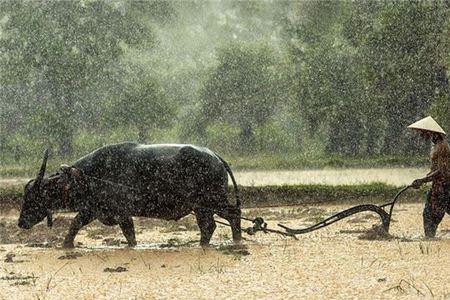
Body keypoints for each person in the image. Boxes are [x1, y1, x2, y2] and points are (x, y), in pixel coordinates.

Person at [408, 116, 450, 238]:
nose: (421, 136)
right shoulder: (437, 145)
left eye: (422, 133)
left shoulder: (442, 146)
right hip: (442, 184)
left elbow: (441, 170)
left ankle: (429, 240)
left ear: (430, 132)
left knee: (430, 215)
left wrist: (423, 180)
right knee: (435, 212)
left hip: (442, 185)